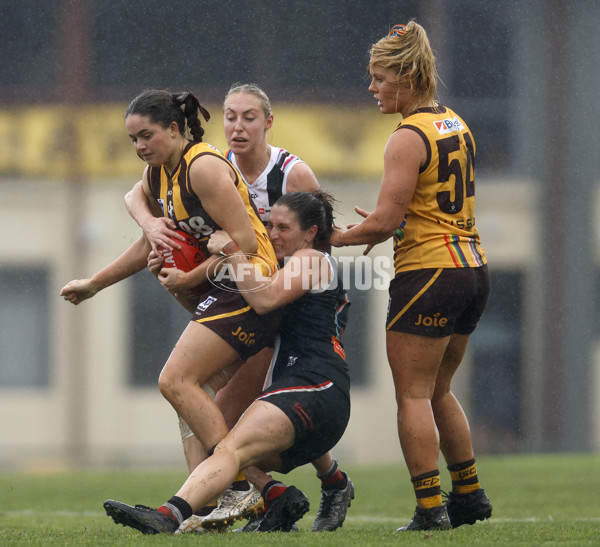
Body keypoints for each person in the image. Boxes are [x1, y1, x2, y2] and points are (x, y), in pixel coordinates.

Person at [125, 83, 354, 533]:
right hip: (245, 294)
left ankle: (245, 495)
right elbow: (137, 193)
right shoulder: (215, 168)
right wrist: (151, 225)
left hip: (285, 302)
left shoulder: (292, 174)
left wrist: (213, 265)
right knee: (199, 400)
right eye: (230, 116)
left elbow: (317, 247)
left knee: (214, 402)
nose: (237, 126)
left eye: (249, 117)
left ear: (268, 122)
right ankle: (236, 500)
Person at [61, 88, 282, 526]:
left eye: (147, 135)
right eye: (133, 140)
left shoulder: (203, 167)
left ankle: (239, 488)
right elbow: (149, 233)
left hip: (250, 284)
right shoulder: (159, 174)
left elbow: (244, 243)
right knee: (189, 403)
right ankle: (255, 496)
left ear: (175, 129)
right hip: (222, 290)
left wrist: (187, 278)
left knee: (175, 380)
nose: (140, 146)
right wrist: (93, 285)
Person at [330, 21, 492, 531]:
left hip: (429, 272)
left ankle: (430, 509)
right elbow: (408, 214)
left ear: (407, 75)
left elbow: (388, 219)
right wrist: (381, 227)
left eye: (379, 78)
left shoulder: (406, 136)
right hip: (472, 268)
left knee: (413, 395)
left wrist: (328, 236)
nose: (372, 88)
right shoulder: (456, 123)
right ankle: (468, 495)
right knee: (440, 389)